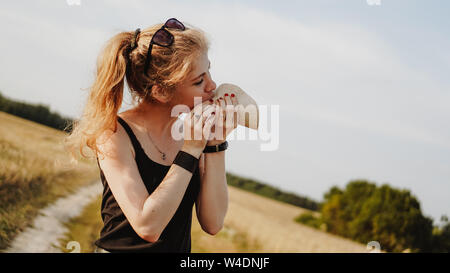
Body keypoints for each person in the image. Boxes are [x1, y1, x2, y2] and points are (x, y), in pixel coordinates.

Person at [65, 18, 238, 252]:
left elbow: (214, 223)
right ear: (161, 92)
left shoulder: (193, 135)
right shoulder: (114, 134)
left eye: (208, 71)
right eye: (199, 81)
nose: (212, 85)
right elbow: (148, 226)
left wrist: (216, 144)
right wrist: (191, 150)